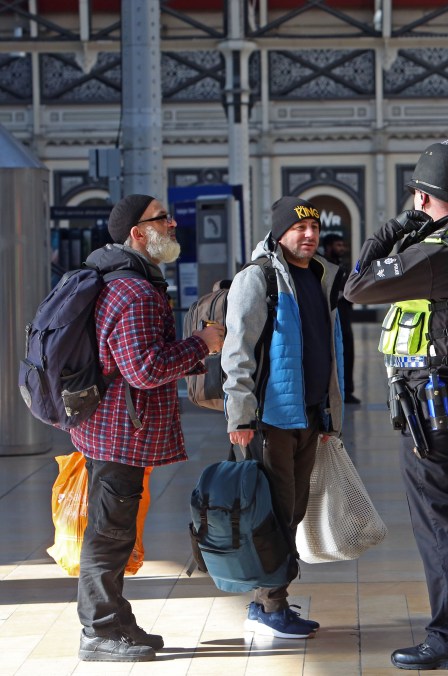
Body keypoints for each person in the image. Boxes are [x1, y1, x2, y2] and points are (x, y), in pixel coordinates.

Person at [344, 140, 448, 671]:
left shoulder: (435, 255)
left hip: (435, 407)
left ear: (422, 196)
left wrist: (390, 231)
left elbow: (357, 287)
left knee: (440, 522)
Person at [73, 194, 224, 662]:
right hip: (120, 431)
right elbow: (144, 369)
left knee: (113, 528)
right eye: (162, 219)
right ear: (138, 234)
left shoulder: (128, 281)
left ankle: (115, 619)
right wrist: (201, 343)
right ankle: (99, 629)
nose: (173, 223)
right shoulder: (134, 292)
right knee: (110, 532)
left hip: (111, 428)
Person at [220, 196, 345, 639]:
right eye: (299, 229)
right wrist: (240, 414)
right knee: (272, 513)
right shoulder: (258, 279)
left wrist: (330, 413)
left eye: (313, 228)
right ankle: (269, 605)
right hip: (269, 419)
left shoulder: (320, 276)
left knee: (289, 511)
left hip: (308, 415)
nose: (309, 235)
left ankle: (269, 602)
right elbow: (237, 351)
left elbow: (327, 350)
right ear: (279, 233)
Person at [321, 232, 361, 404]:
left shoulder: (342, 266)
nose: (342, 249)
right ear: (328, 247)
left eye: (342, 245)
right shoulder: (322, 266)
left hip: (344, 316)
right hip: (328, 317)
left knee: (347, 353)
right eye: (338, 245)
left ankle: (347, 391)